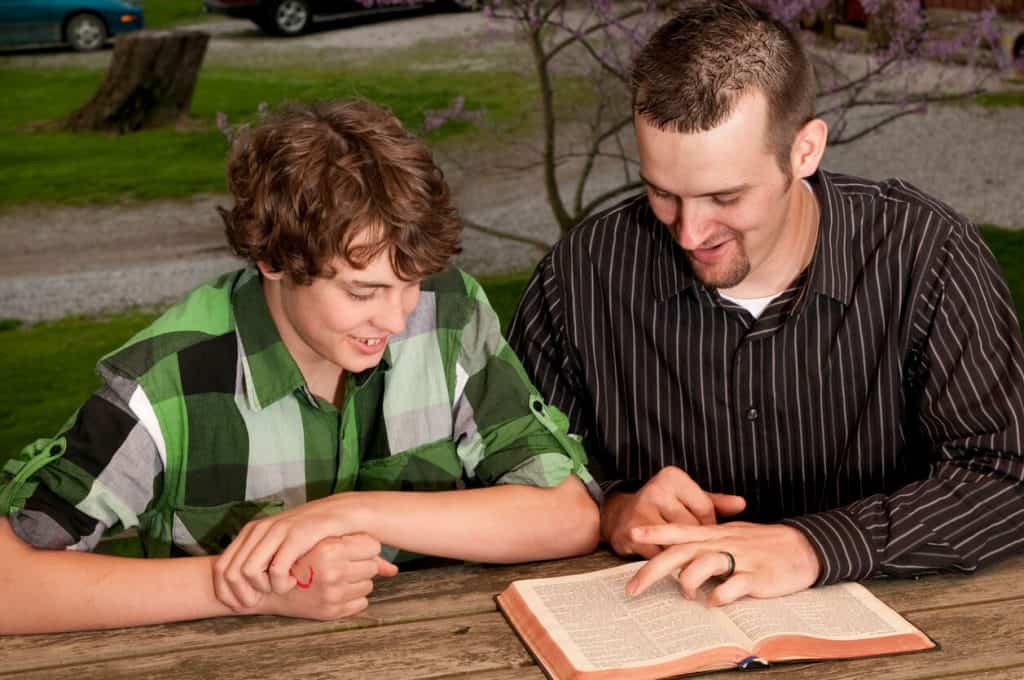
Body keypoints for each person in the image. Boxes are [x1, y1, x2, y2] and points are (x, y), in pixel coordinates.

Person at [0, 99, 600, 634]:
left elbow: (566, 515)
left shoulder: (450, 315)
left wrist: (345, 513)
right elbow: (9, 582)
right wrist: (248, 589)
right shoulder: (167, 381)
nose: (396, 320)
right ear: (275, 260)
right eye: (363, 293)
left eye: (409, 283)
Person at [508, 0, 1024, 606]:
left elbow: (1005, 475)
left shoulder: (926, 255)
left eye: (725, 196)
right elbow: (510, 467)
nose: (690, 232)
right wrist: (614, 507)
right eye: (662, 193)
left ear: (804, 151)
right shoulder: (582, 274)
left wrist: (815, 546)